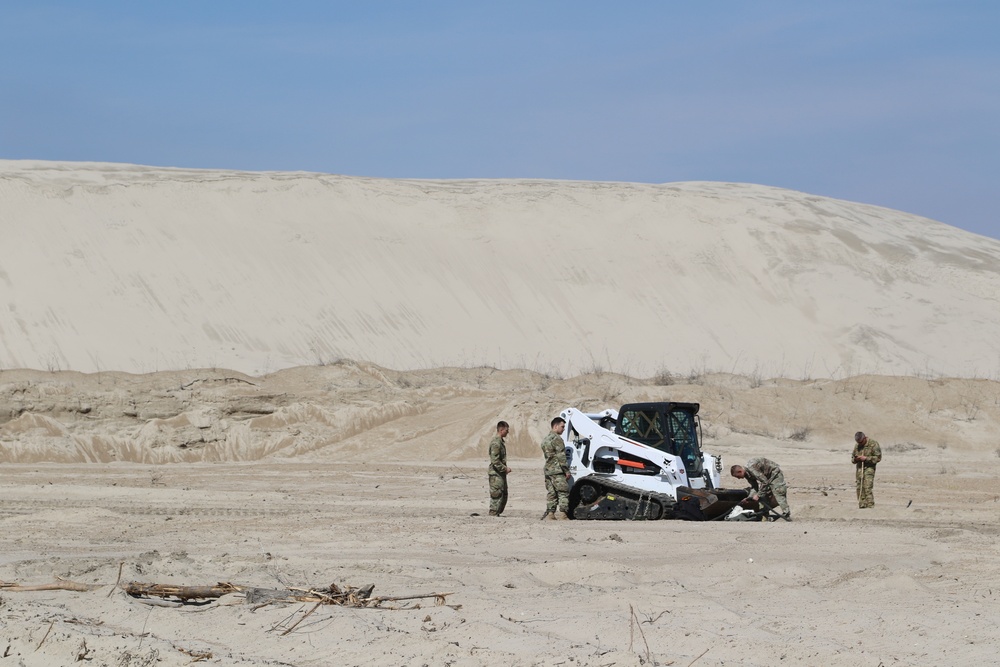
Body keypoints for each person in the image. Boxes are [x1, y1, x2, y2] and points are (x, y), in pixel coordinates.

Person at [539, 417, 570, 520]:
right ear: (555, 426)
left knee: (551, 493)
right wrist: (566, 471)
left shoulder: (545, 439)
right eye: (562, 427)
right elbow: (561, 457)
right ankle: (563, 514)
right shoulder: (557, 439)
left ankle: (551, 514)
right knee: (563, 492)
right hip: (557, 470)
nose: (563, 429)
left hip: (548, 470)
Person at [852, 431, 881, 508]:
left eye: (861, 442)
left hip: (869, 468)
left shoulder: (873, 444)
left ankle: (870, 506)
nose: (860, 444)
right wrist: (856, 459)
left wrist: (866, 458)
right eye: (858, 442)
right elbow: (852, 459)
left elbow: (878, 458)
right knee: (859, 487)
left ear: (865, 438)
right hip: (859, 469)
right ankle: (862, 505)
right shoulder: (857, 446)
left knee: (867, 487)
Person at [487, 421, 511, 516]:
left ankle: (496, 513)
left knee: (503, 495)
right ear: (501, 430)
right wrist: (505, 469)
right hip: (496, 474)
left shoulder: (500, 442)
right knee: (497, 495)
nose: (507, 432)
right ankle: (493, 514)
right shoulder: (496, 443)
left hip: (500, 474)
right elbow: (495, 461)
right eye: (506, 430)